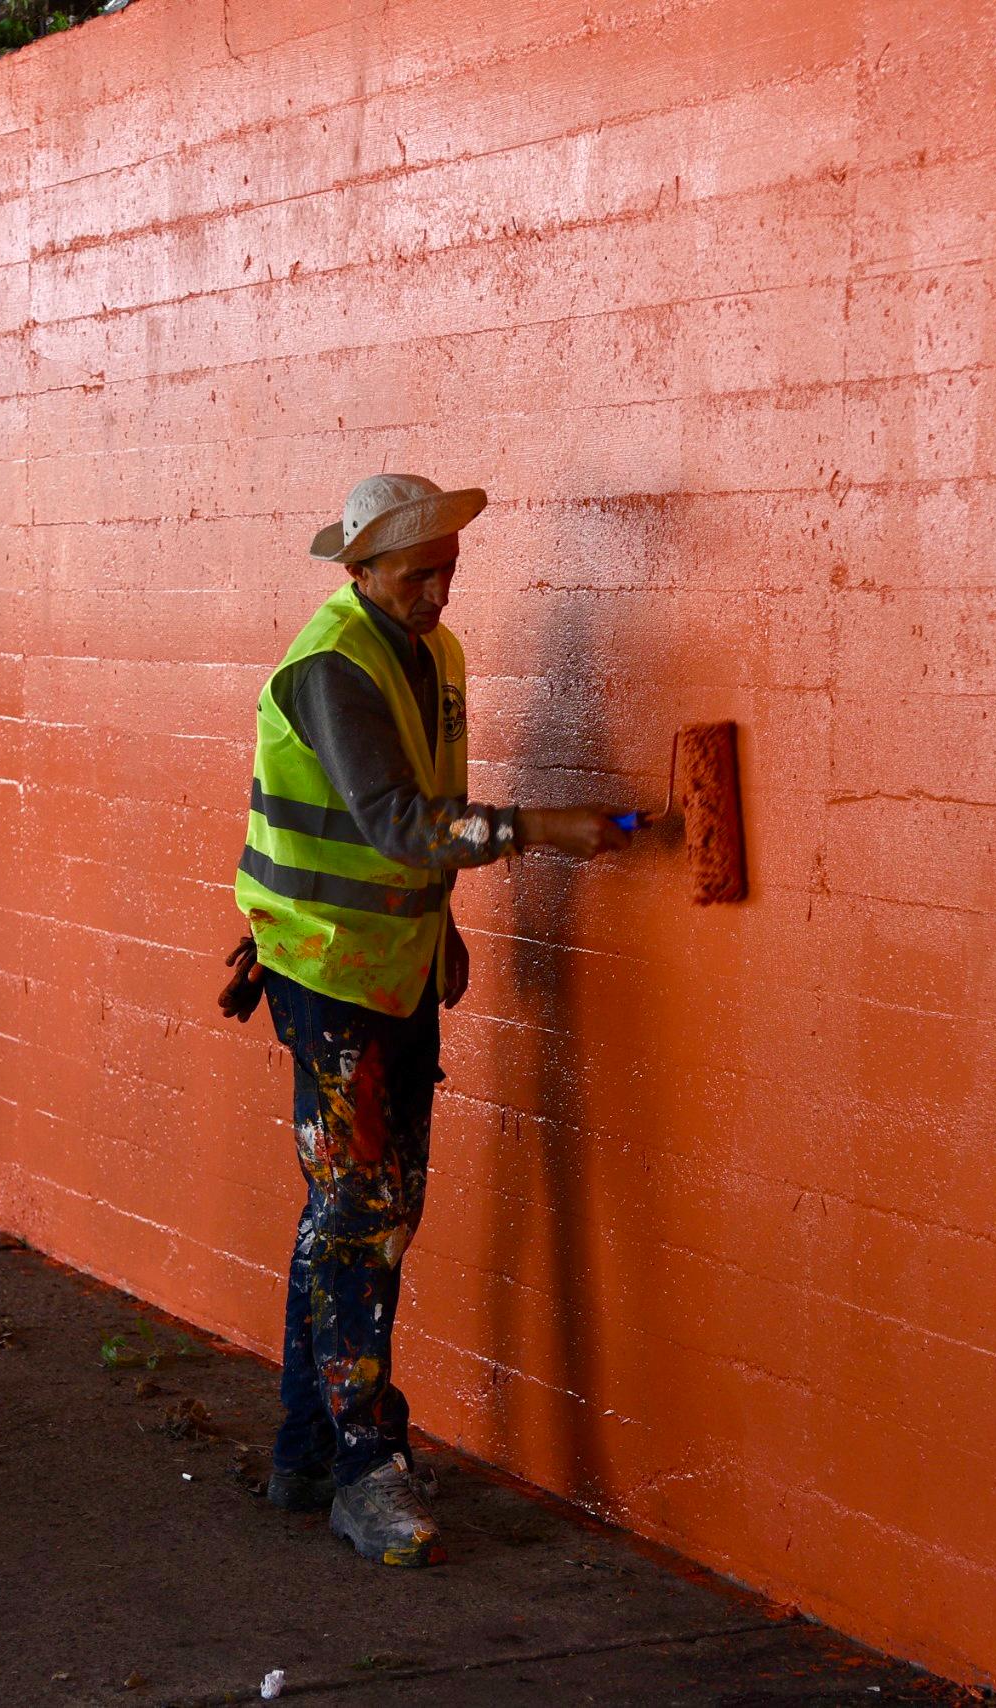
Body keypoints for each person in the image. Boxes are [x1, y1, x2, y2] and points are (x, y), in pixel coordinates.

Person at [217, 472, 630, 1566]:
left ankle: (308, 1450)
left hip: (390, 964)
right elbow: (403, 821)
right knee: (364, 1209)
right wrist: (542, 827)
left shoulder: (432, 653)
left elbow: (421, 808)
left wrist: (436, 928)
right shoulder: (329, 667)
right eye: (413, 576)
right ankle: (365, 1470)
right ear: (356, 572)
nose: (436, 595)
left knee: (363, 1207)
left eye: (445, 572)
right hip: (325, 969)